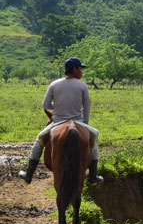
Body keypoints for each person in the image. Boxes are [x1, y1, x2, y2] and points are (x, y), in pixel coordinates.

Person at [18, 57, 103, 185]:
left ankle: (28, 175)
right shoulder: (83, 86)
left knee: (38, 142)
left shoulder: (54, 84)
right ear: (74, 69)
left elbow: (45, 104)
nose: (82, 72)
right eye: (80, 68)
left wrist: (57, 106)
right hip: (79, 122)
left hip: (57, 122)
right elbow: (86, 108)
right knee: (94, 138)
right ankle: (93, 176)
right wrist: (85, 125)